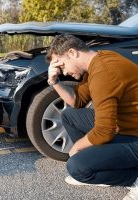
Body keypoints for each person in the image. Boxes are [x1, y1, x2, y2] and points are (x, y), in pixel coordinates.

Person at [46, 34, 138, 200]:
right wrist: (54, 81)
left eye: (63, 66)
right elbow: (77, 102)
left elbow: (104, 131)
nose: (64, 72)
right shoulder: (99, 60)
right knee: (69, 116)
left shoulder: (104, 73)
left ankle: (134, 178)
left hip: (135, 137)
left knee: (76, 167)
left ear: (72, 53)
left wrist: (78, 148)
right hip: (127, 127)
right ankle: (102, 167)